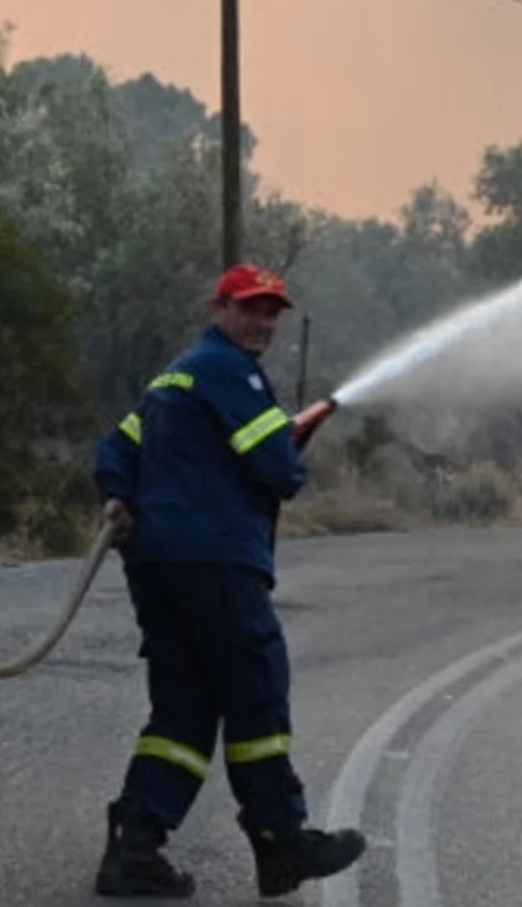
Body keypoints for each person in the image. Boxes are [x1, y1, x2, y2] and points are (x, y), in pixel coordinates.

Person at [90, 263, 365, 899]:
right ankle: (282, 841)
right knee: (255, 693)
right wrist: (290, 443)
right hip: (214, 561)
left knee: (184, 707)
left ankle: (136, 845)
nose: (263, 323)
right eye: (250, 309)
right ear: (220, 309)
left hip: (158, 565)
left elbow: (117, 448)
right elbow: (277, 467)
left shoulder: (175, 375)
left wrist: (117, 495)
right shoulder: (228, 371)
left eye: (271, 313)